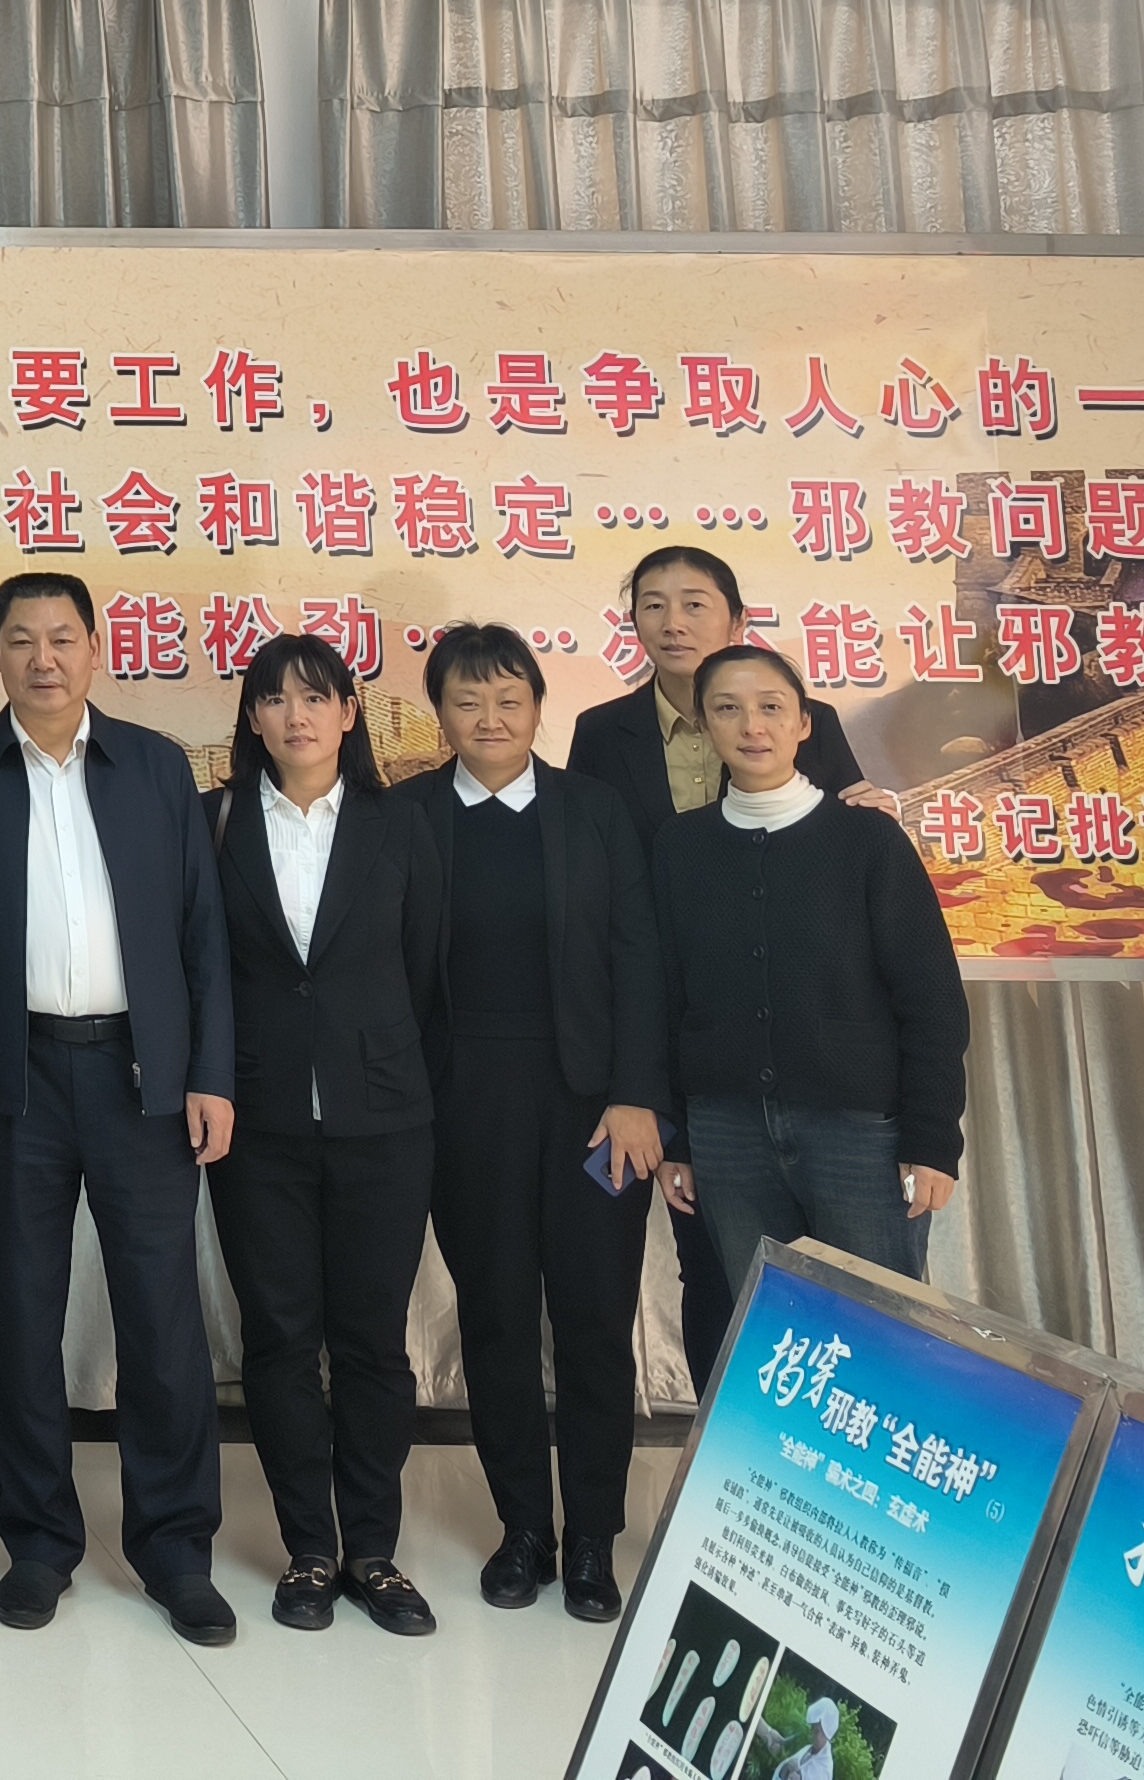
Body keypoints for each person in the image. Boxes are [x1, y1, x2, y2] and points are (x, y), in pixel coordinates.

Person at [0, 571, 238, 1646]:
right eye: (20, 639)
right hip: (17, 1080)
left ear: (96, 648)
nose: (42, 658)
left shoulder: (155, 766)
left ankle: (175, 1549)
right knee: (23, 1317)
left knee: (163, 1322)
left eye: (61, 637)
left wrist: (209, 1074)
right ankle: (40, 1542)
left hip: (143, 1081)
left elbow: (202, 934)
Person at [566, 544, 871, 1375]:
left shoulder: (804, 717)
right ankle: (723, 1446)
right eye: (653, 604)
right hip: (679, 1025)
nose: (673, 622)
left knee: (837, 1280)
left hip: (798, 1036)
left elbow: (845, 842)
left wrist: (875, 812)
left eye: (695, 603)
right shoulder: (601, 734)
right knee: (712, 1264)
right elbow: (595, 883)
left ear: (737, 620)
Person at [413, 623, 664, 1628]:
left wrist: (637, 1094)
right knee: (497, 1320)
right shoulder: (407, 818)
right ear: (440, 712)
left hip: (592, 1115)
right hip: (462, 1111)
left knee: (597, 1321)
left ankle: (593, 1534)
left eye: (508, 698)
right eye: (468, 700)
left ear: (536, 707)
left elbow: (640, 958)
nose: (490, 717)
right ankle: (523, 1528)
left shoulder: (593, 811)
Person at [208, 631, 446, 1639]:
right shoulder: (215, 820)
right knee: (277, 1338)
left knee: (371, 1342)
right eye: (275, 699)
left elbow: (425, 967)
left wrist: (382, 1061)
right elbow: (202, 967)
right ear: (252, 718)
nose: (296, 716)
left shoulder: (403, 824)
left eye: (316, 698)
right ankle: (308, 1546)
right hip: (255, 1121)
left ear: (350, 714)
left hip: (382, 1118)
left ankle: (374, 1552)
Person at [652, 645, 968, 1295]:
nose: (752, 726)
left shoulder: (868, 839)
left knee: (877, 1323)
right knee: (771, 1327)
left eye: (771, 708)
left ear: (803, 724)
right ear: (705, 726)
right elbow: (668, 999)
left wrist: (933, 1140)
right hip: (727, 1132)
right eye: (727, 709)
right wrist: (677, 1137)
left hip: (857, 1133)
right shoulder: (680, 847)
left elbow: (931, 997)